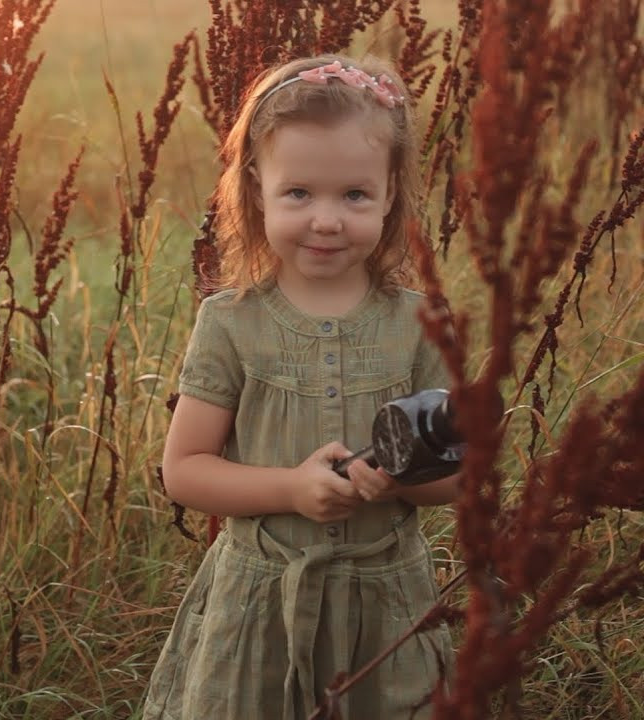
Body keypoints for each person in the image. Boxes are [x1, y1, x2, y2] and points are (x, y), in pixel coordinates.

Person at [142, 54, 457, 720]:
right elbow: (184, 471)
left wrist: (396, 477)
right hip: (260, 604)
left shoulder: (420, 324)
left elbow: (460, 478)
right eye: (299, 194)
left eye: (354, 195)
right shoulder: (232, 323)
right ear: (257, 190)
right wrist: (291, 489)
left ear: (390, 193)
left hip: (386, 605)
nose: (326, 219)